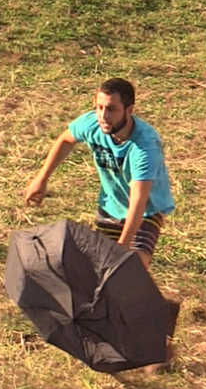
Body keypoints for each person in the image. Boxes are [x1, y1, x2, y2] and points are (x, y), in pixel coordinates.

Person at [24, 77, 175, 270]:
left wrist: (123, 247)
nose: (103, 116)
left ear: (128, 110)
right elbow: (65, 140)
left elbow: (138, 200)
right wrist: (41, 178)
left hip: (146, 210)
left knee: (133, 269)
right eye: (99, 107)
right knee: (97, 267)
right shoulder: (92, 124)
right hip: (111, 205)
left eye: (111, 109)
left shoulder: (144, 147)